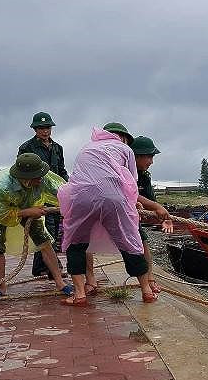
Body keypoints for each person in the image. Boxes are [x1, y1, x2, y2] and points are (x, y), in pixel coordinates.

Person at [58, 122, 170, 306]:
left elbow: (77, 178)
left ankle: (79, 295)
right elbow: (130, 184)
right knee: (130, 241)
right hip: (113, 198)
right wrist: (136, 206)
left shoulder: (86, 148)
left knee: (76, 243)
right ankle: (147, 291)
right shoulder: (124, 149)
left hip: (80, 199)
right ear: (123, 138)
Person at [0, 153, 72, 297]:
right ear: (25, 178)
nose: (41, 178)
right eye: (37, 176)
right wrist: (27, 212)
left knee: (44, 241)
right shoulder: (0, 188)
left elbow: (61, 192)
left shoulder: (42, 179)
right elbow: (0, 213)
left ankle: (59, 282)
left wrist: (71, 204)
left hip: (28, 205)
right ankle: (2, 285)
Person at [18, 112, 69, 278]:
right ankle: (52, 267)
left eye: (47, 127)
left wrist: (68, 187)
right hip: (37, 195)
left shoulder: (57, 148)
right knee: (46, 229)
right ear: (35, 129)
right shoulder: (27, 148)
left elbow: (61, 171)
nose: (44, 131)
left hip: (55, 195)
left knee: (53, 230)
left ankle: (41, 266)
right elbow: (21, 172)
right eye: (41, 128)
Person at [131, 136, 174, 294]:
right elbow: (130, 193)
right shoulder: (125, 172)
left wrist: (164, 218)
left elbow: (151, 202)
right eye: (149, 157)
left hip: (132, 218)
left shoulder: (144, 176)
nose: (151, 161)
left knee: (144, 244)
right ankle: (89, 281)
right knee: (87, 245)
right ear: (136, 156)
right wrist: (156, 207)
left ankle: (149, 279)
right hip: (112, 214)